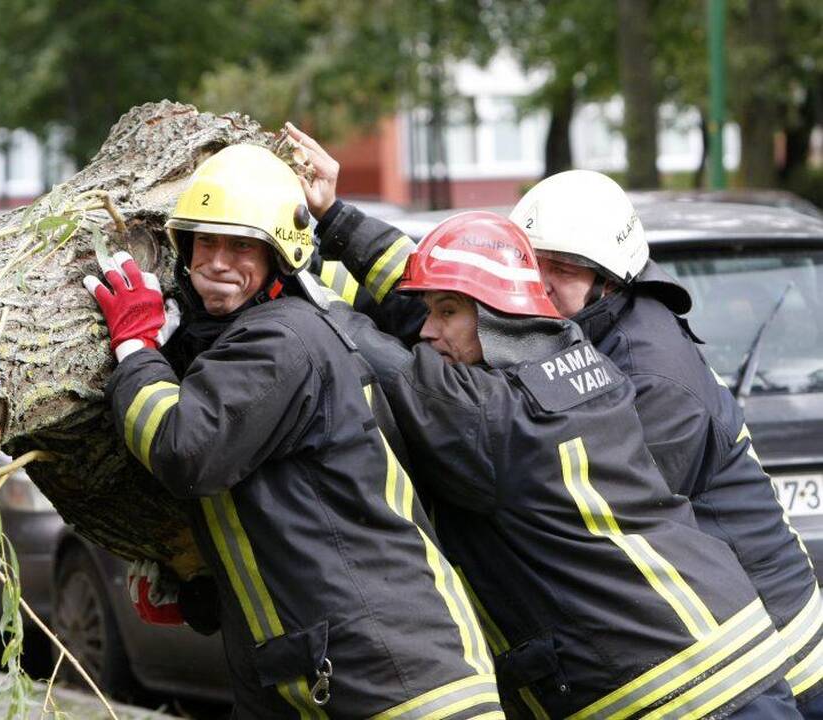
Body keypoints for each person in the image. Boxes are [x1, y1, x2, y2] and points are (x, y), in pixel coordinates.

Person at [320, 208, 798, 719]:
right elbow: (448, 335)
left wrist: (305, 285)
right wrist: (336, 218)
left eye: (447, 313)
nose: (427, 332)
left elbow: (390, 365)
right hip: (733, 652)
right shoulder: (577, 358)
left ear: (499, 318)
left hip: (675, 689)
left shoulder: (494, 416)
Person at [84, 143, 503, 718]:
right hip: (343, 677)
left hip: (396, 681)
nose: (217, 262)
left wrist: (135, 347)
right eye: (204, 242)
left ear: (282, 255)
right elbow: (288, 522)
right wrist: (197, 590)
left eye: (241, 246)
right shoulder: (251, 342)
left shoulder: (282, 342)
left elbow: (186, 449)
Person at [508, 170, 823, 716]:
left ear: (610, 281)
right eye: (532, 264)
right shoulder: (585, 337)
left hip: (775, 659)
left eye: (561, 268)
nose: (543, 282)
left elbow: (597, 512)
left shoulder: (650, 374)